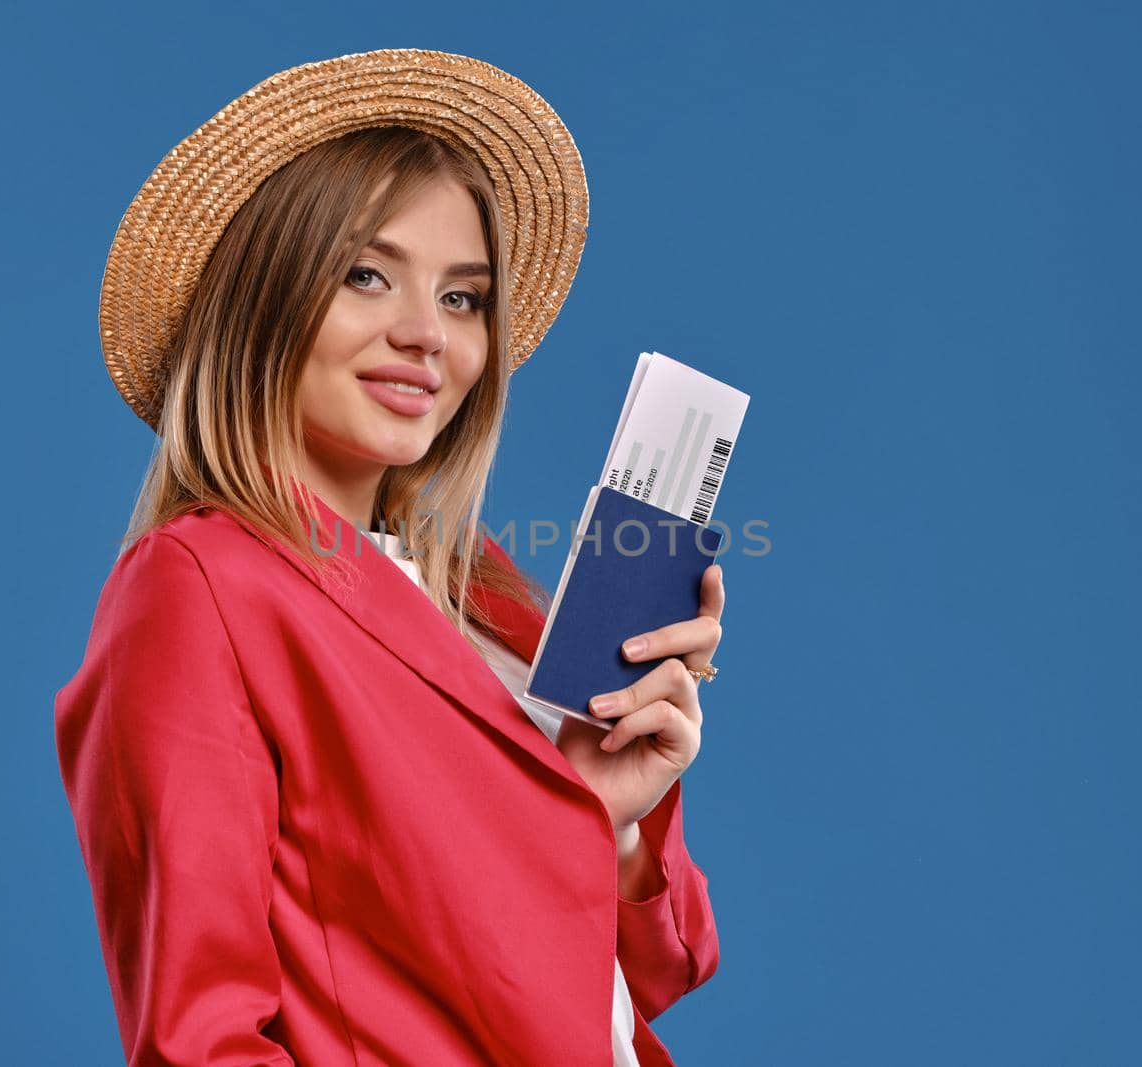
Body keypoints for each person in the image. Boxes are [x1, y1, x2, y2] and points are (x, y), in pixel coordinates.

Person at [54, 49, 724, 1066]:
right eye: (366, 275)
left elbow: (642, 973)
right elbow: (200, 1039)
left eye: (463, 298)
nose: (426, 334)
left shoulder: (488, 594)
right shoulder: (197, 585)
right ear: (259, 302)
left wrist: (612, 822)